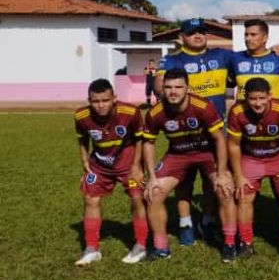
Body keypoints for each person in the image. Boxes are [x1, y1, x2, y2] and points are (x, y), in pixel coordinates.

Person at [154, 17, 231, 245]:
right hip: (184, 131)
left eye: (201, 32)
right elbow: (160, 83)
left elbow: (250, 57)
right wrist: (164, 93)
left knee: (212, 181)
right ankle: (185, 223)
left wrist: (278, 48)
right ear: (182, 37)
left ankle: (207, 221)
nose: (198, 36)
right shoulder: (172, 60)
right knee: (184, 182)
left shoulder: (221, 56)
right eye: (192, 33)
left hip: (215, 131)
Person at [142, 69, 232, 260]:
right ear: (162, 89)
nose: (173, 92)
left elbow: (219, 139)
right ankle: (161, 247)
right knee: (153, 194)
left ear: (187, 89)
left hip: (207, 153)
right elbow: (148, 143)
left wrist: (223, 173)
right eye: (168, 87)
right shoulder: (155, 113)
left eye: (178, 87)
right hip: (177, 155)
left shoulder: (203, 106)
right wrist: (151, 177)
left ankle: (228, 243)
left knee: (224, 190)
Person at [226, 78, 279, 262]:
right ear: (245, 97)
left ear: (270, 96)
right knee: (244, 197)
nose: (257, 103)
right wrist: (238, 175)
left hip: (277, 158)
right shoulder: (237, 112)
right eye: (253, 99)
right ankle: (245, 242)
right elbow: (233, 145)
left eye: (262, 98)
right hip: (251, 158)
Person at [73, 79, 148, 266]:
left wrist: (137, 166)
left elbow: (140, 139)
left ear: (114, 98)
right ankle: (91, 248)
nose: (100, 105)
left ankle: (141, 245)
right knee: (90, 199)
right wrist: (84, 160)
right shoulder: (81, 115)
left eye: (105, 100)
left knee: (137, 198)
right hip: (99, 165)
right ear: (88, 100)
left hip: (128, 164)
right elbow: (82, 139)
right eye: (95, 101)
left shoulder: (131, 112)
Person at [230, 19, 279, 99]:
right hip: (243, 110)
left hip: (272, 110)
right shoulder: (235, 58)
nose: (248, 39)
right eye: (246, 35)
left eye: (253, 35)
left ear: (265, 38)